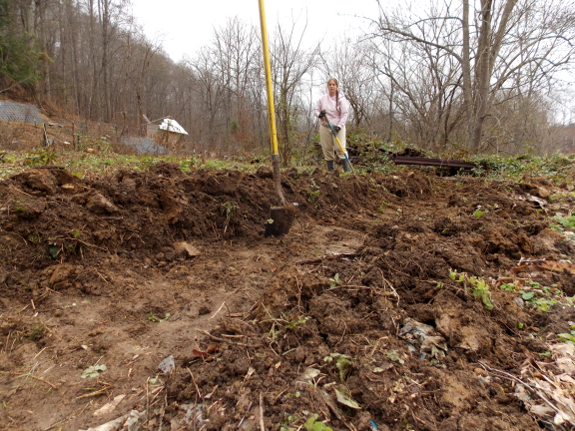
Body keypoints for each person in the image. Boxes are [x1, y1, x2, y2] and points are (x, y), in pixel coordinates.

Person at [314, 78, 351, 173]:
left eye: (333, 84)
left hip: (337, 127)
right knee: (327, 148)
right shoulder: (323, 98)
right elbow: (316, 110)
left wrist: (339, 126)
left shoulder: (341, 99)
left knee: (340, 148)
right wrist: (319, 115)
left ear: (336, 86)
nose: (331, 86)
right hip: (325, 126)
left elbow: (344, 113)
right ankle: (330, 170)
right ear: (327, 86)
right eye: (330, 84)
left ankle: (347, 170)